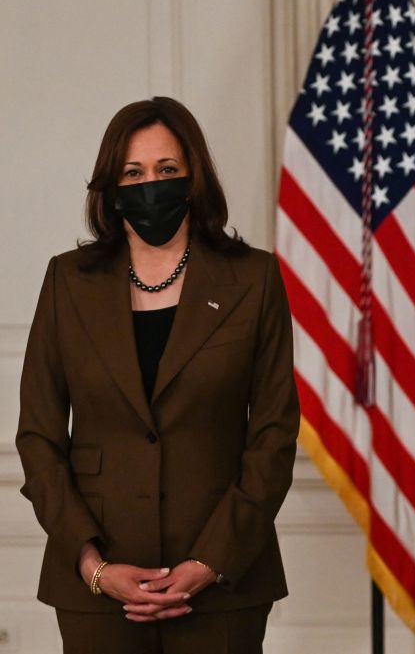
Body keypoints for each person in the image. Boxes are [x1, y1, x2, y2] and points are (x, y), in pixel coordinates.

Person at [16, 97, 299, 653]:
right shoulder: (67, 282)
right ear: (111, 187)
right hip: (96, 592)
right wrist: (94, 566)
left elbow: (273, 436)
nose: (151, 185)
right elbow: (39, 437)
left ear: (194, 178)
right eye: (133, 173)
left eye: (167, 171)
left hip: (221, 589)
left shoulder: (255, 278)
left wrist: (210, 561)